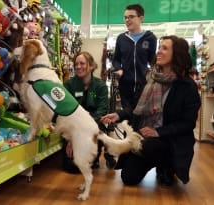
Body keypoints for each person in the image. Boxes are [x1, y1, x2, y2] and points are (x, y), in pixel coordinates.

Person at [101, 35, 201, 186]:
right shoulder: (149, 78)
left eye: (165, 48)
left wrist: (158, 132)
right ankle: (151, 159)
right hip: (144, 135)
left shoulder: (187, 86)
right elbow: (135, 107)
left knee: (150, 146)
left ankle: (166, 167)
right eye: (159, 47)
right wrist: (118, 114)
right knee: (128, 177)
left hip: (169, 139)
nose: (159, 51)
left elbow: (187, 123)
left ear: (177, 54)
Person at [62, 51, 115, 173]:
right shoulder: (68, 85)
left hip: (93, 129)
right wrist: (72, 138)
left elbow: (101, 112)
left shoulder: (100, 86)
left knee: (86, 162)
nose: (78, 66)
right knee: (72, 167)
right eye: (76, 64)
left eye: (82, 63)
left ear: (91, 66)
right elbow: (66, 112)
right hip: (72, 129)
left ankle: (98, 153)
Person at [112, 4, 157, 122]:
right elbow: (116, 59)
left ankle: (140, 139)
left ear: (141, 18)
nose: (127, 20)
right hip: (125, 85)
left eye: (131, 17)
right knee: (128, 116)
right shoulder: (121, 38)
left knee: (141, 117)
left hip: (143, 85)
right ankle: (130, 139)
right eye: (125, 17)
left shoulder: (150, 38)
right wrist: (118, 68)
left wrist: (154, 76)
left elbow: (153, 61)